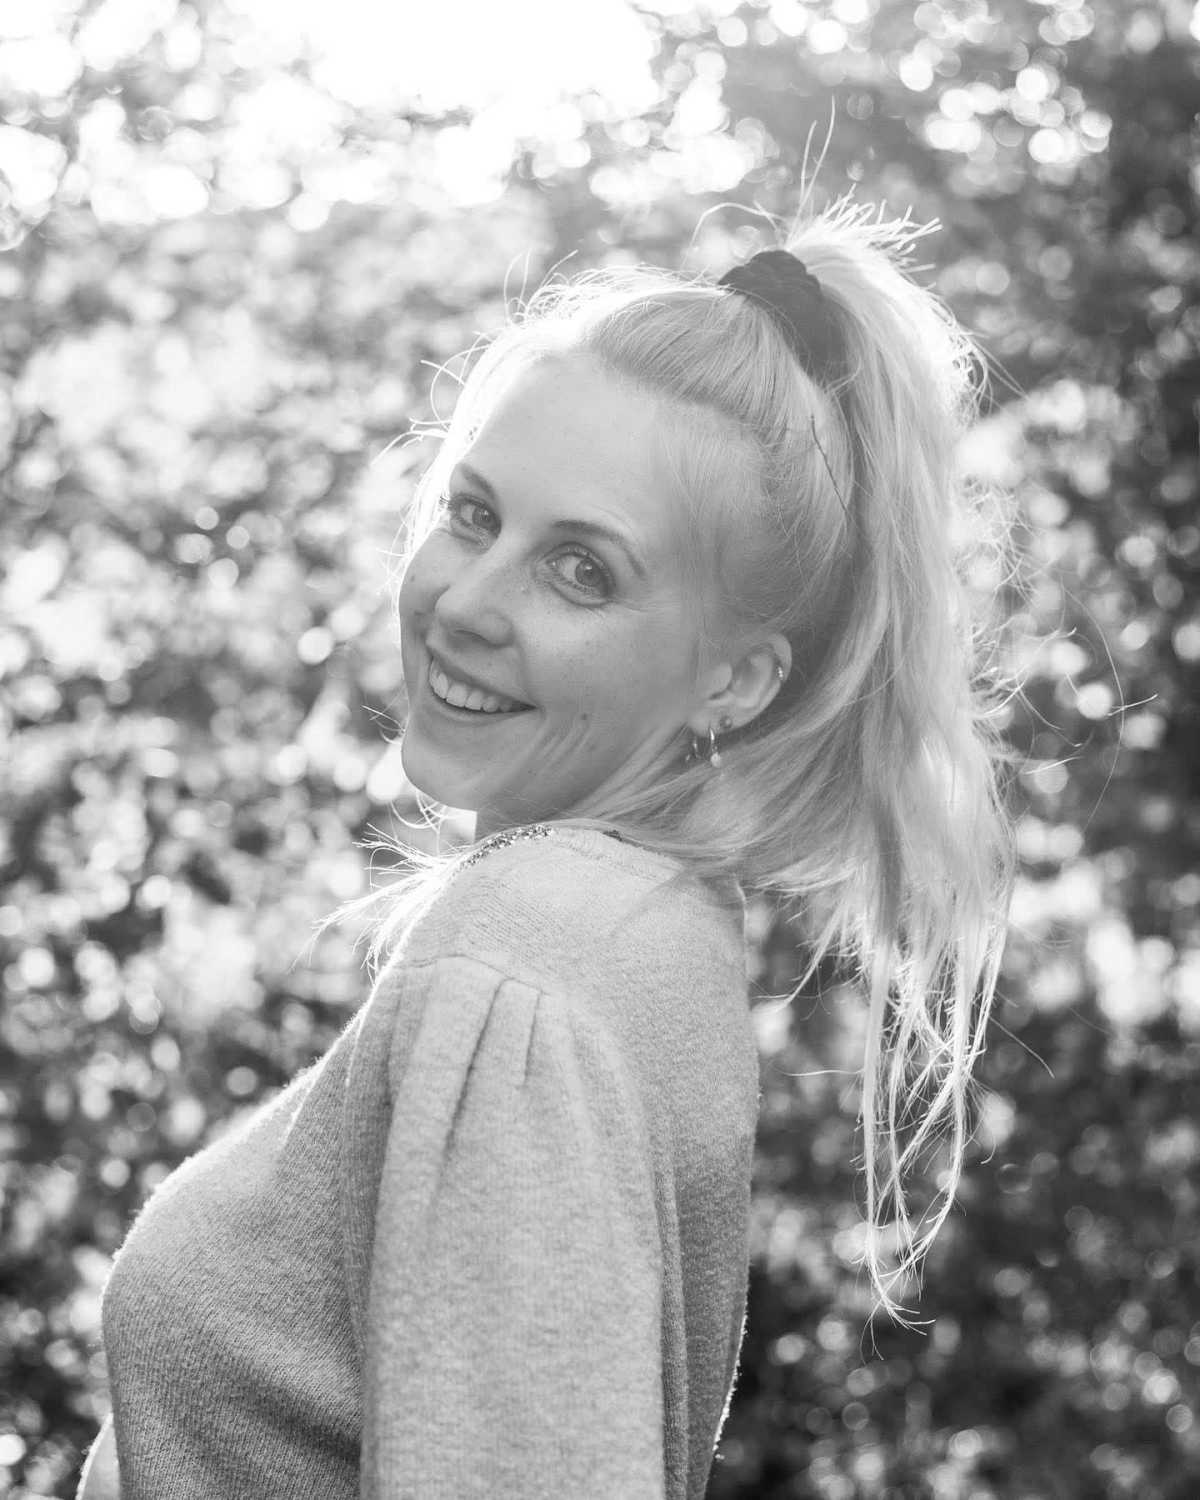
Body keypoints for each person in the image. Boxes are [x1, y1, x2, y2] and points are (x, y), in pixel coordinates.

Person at [79, 194, 1014, 1499]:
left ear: (735, 681)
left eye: (582, 571)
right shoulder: (654, 926)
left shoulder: (522, 969)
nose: (464, 602)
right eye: (473, 514)